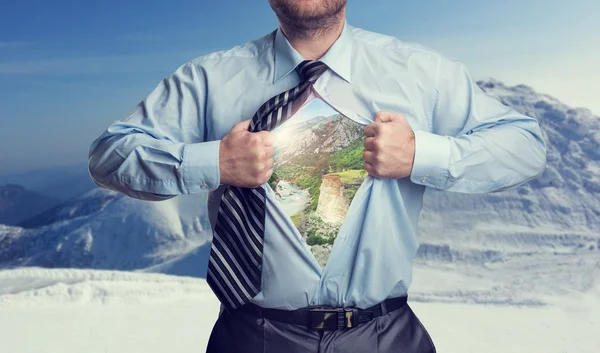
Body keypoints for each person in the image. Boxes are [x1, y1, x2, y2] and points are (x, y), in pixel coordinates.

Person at [87, 0, 547, 352]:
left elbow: (525, 145)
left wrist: (421, 154)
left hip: (387, 336)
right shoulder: (206, 79)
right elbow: (109, 156)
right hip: (251, 336)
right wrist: (214, 163)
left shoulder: (422, 74)